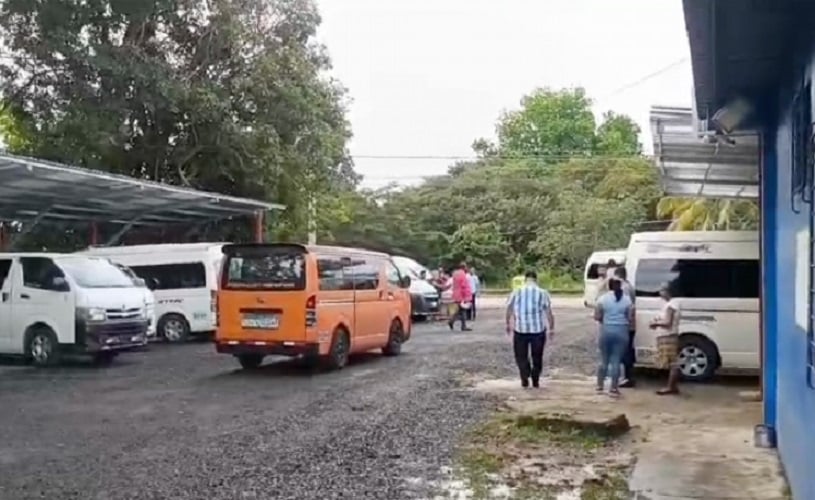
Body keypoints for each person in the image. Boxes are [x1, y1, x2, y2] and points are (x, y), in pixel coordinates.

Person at [505, 271, 555, 388]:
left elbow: (509, 309)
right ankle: (535, 379)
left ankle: (524, 375)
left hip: (520, 329)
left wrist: (507, 323)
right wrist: (551, 328)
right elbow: (549, 312)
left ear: (525, 279)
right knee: (537, 356)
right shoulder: (543, 293)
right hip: (537, 330)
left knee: (521, 356)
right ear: (536, 280)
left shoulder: (516, 292)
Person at [594, 278, 634, 397]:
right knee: (616, 360)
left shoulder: (602, 299)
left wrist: (605, 319)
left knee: (603, 359)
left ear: (609, 286)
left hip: (606, 329)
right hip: (622, 331)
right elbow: (630, 317)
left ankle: (599, 386)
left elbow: (597, 316)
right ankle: (613, 388)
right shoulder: (627, 300)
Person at [650, 283, 681, 395]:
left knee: (672, 362)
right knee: (671, 362)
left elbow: (668, 322)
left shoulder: (672, 305)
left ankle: (670, 387)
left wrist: (655, 323)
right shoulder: (669, 304)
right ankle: (672, 386)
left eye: (662, 290)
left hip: (668, 336)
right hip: (668, 335)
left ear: (668, 291)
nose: (660, 292)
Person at [614, 267, 637, 388]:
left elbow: (628, 307)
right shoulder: (629, 285)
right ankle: (628, 376)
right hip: (629, 325)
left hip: (626, 325)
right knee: (627, 350)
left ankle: (627, 378)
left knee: (625, 351)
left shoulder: (624, 288)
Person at [448, 263, 473, 331]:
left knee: (460, 310)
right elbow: (464, 286)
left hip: (456, 294)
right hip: (461, 295)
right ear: (464, 267)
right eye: (466, 267)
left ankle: (453, 321)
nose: (467, 268)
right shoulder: (462, 274)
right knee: (463, 310)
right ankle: (462, 325)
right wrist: (467, 296)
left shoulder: (455, 274)